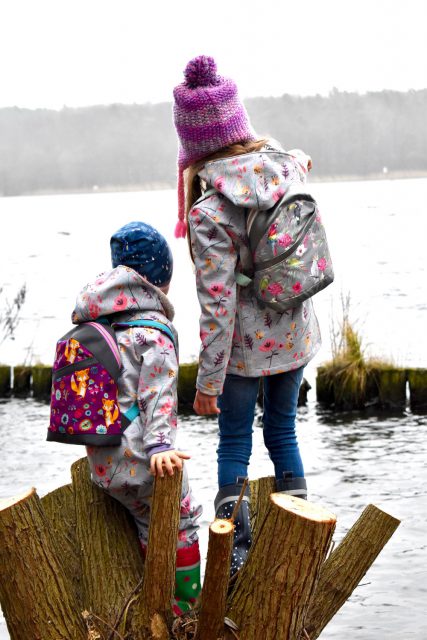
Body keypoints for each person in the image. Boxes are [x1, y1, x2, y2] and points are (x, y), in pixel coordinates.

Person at [172, 55, 321, 576]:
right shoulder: (285, 166)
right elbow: (305, 159)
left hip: (243, 352)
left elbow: (218, 307)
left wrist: (207, 383)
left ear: (192, 145)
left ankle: (234, 562)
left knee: (235, 441)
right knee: (283, 431)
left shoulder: (209, 213)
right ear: (238, 123)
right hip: (296, 333)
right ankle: (299, 551)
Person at [71, 221, 202, 615]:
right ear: (158, 281)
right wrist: (161, 446)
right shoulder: (153, 333)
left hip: (102, 458)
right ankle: (184, 609)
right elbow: (157, 394)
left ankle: (147, 597)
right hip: (142, 458)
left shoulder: (97, 323)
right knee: (183, 519)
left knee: (145, 521)